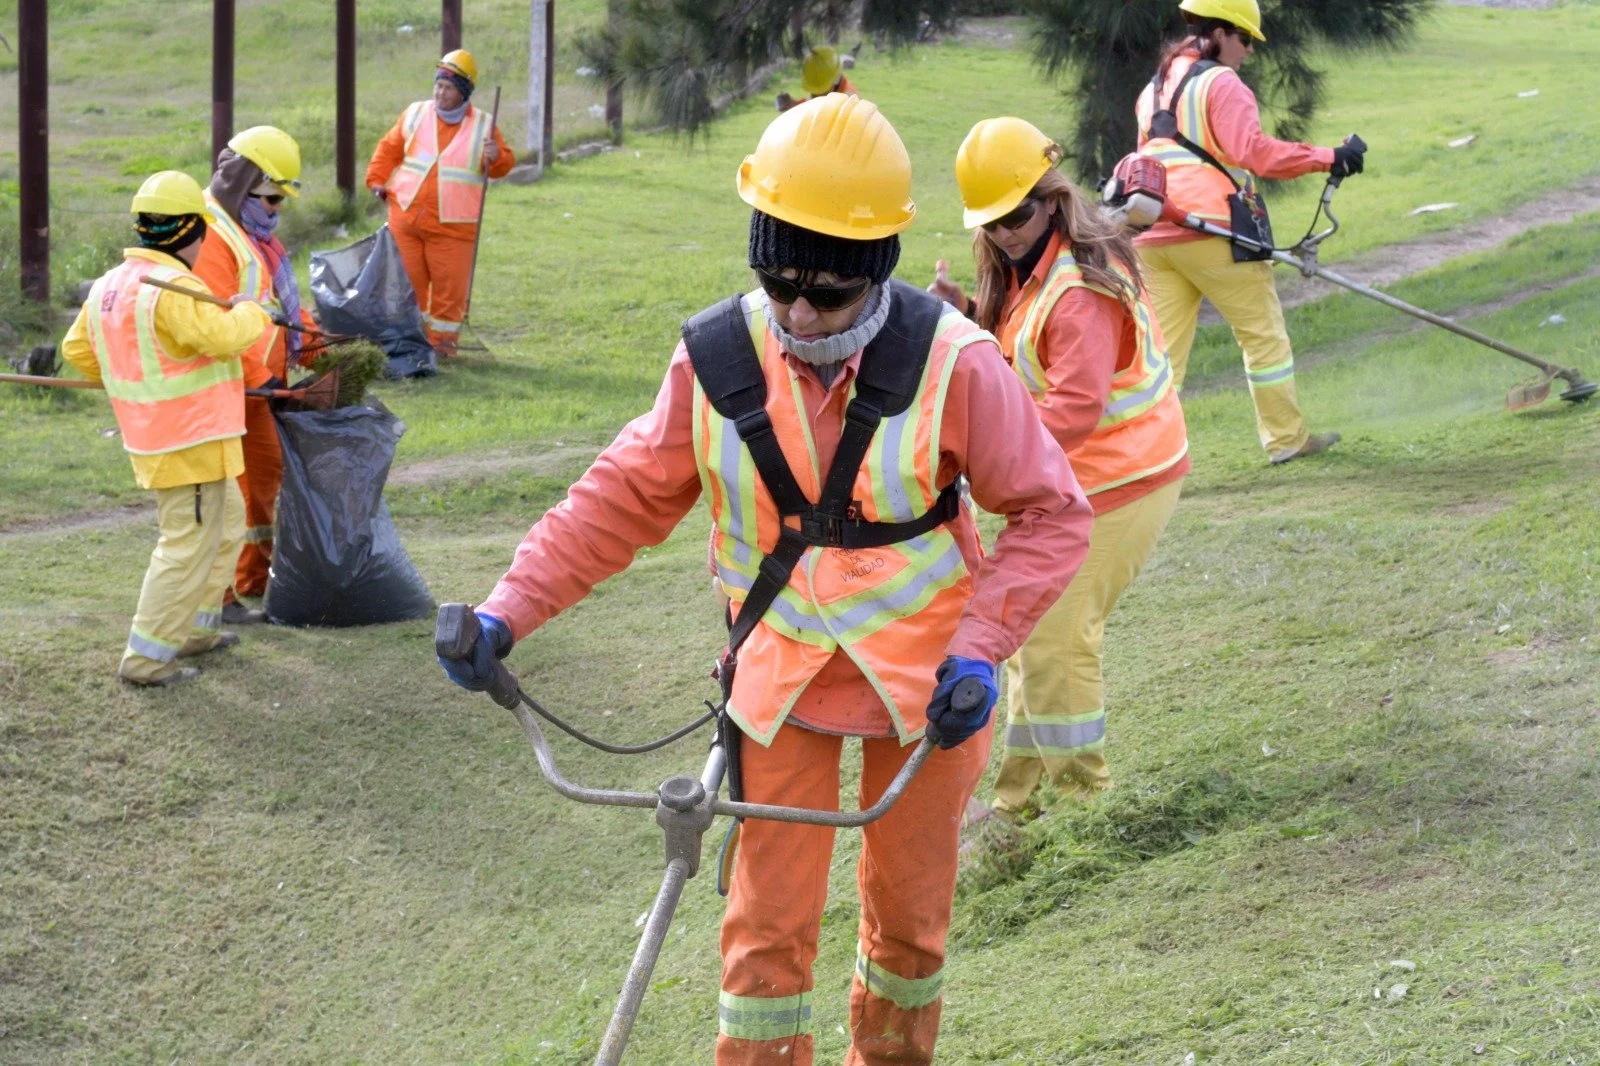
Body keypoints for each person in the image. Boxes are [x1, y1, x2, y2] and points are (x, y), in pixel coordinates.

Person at [439, 94, 1093, 1065]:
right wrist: (503, 613)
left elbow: (1051, 512)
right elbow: (617, 498)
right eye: (777, 281)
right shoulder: (713, 360)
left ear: (875, 270)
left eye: (825, 294)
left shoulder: (955, 364)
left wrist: (979, 651)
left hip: (927, 693)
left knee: (909, 932)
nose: (796, 312)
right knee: (761, 941)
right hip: (778, 683)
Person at [931, 118, 1190, 835]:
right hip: (1073, 483)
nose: (1005, 232)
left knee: (1055, 642)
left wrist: (979, 449)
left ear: (1050, 200)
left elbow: (1072, 411)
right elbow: (1017, 366)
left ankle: (1085, 807)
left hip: (1119, 480)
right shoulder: (1024, 266)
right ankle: (1020, 800)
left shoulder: (1076, 290)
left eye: (1016, 215)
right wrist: (962, 318)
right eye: (990, 221)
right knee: (1024, 637)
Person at [59, 171, 273, 686]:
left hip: (182, 436)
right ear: (192, 232)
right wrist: (251, 312)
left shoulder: (109, 285)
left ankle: (198, 630)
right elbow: (222, 337)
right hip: (187, 438)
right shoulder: (175, 288)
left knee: (225, 524)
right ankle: (146, 659)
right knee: (185, 543)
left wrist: (130, 376)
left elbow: (78, 350)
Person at [1134, 0, 1362, 464]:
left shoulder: (1151, 89)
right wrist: (1330, 157)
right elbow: (1255, 153)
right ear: (1218, 32)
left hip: (1154, 235)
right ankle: (1286, 440)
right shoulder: (1222, 82)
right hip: (1211, 231)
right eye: (1245, 39)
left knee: (1161, 361)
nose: (1250, 51)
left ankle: (1147, 460)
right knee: (1263, 339)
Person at [193, 124, 313, 622]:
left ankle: (254, 584)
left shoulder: (252, 236)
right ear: (242, 188)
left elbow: (273, 307)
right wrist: (258, 376)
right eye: (269, 199)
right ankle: (220, 599)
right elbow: (212, 320)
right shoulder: (211, 237)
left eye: (280, 201)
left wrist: (316, 343)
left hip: (258, 386)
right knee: (229, 501)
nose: (275, 210)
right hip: (226, 389)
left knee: (263, 488)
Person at [366, 49, 515, 357]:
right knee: (407, 288)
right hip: (405, 218)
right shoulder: (415, 113)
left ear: (463, 92)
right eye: (437, 85)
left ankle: (442, 350)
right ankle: (407, 345)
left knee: (449, 294)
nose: (439, 92)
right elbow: (389, 149)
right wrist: (377, 180)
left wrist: (496, 156)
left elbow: (503, 165)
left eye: (447, 87)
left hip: (454, 227)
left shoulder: (484, 126)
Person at [775, 46, 856, 111]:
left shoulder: (848, 101)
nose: (817, 97)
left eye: (823, 91)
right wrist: (793, 105)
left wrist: (795, 108)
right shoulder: (835, 91)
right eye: (813, 94)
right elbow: (814, 104)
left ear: (836, 80)